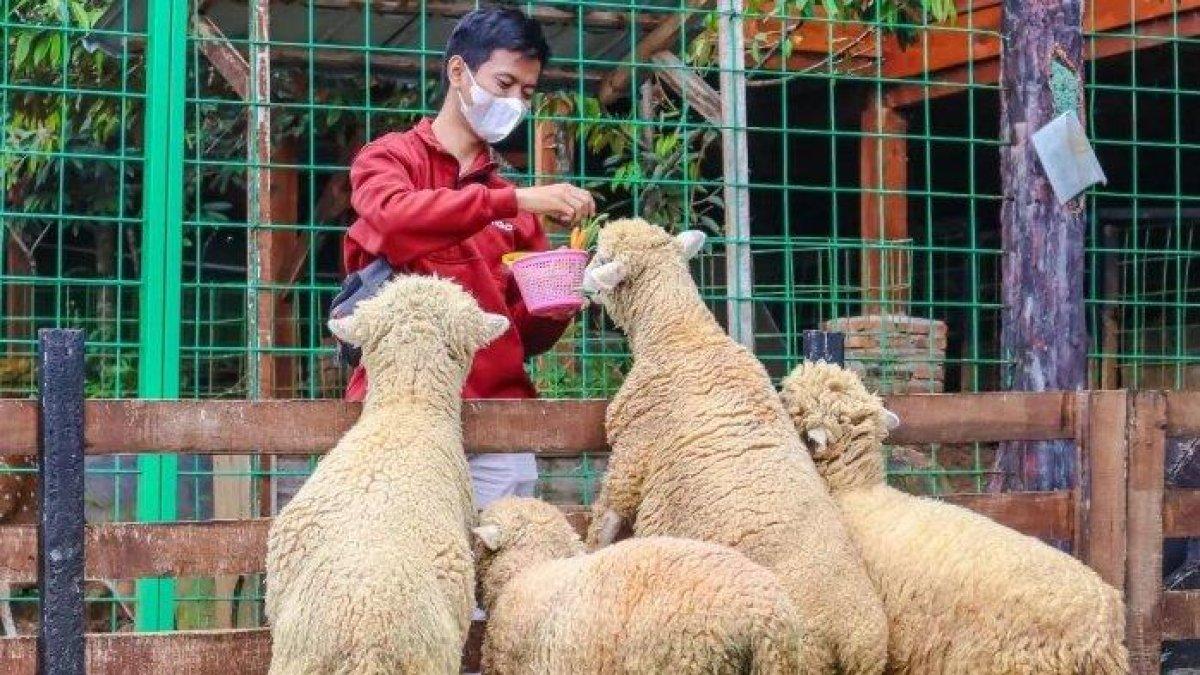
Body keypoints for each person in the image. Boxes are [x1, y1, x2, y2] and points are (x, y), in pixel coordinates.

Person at [341, 6, 595, 510]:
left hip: (499, 418)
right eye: (503, 83)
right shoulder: (389, 159)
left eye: (525, 93)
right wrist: (513, 200)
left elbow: (523, 335)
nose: (513, 103)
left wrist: (562, 301)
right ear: (458, 72)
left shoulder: (517, 212)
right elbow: (392, 220)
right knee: (401, 571)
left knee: (499, 577)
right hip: (401, 411)